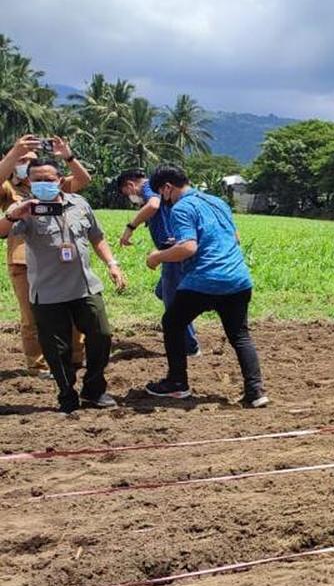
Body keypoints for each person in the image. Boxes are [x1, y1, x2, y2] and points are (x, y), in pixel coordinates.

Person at [1, 157, 126, 413]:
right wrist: (12, 215)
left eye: (49, 179)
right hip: (47, 293)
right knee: (57, 349)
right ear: (30, 182)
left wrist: (112, 264)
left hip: (85, 287)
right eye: (37, 180)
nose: (44, 184)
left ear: (60, 180)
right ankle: (66, 393)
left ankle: (93, 389)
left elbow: (96, 236)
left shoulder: (78, 204)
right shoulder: (26, 210)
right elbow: (2, 232)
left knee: (101, 335)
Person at [141, 164, 268, 407]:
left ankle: (178, 383)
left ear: (167, 188)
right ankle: (256, 391)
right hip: (238, 279)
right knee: (239, 335)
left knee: (172, 322)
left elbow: (188, 248)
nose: (161, 199)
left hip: (206, 278)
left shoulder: (182, 207)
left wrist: (157, 256)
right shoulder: (217, 202)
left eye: (160, 193)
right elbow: (236, 238)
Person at [0, 135, 89, 375]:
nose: (24, 161)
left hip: (61, 259)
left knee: (73, 312)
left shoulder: (52, 183)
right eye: (21, 159)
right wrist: (13, 153)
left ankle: (75, 357)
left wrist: (67, 155)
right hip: (24, 261)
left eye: (29, 158)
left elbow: (83, 179)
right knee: (31, 318)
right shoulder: (9, 189)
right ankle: (37, 365)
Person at [116, 170, 200, 356]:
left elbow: (153, 205)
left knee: (173, 303)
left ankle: (189, 347)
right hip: (172, 248)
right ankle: (188, 324)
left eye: (126, 192)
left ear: (130, 185)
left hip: (172, 249)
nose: (131, 197)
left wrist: (130, 227)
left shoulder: (148, 188)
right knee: (162, 292)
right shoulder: (155, 189)